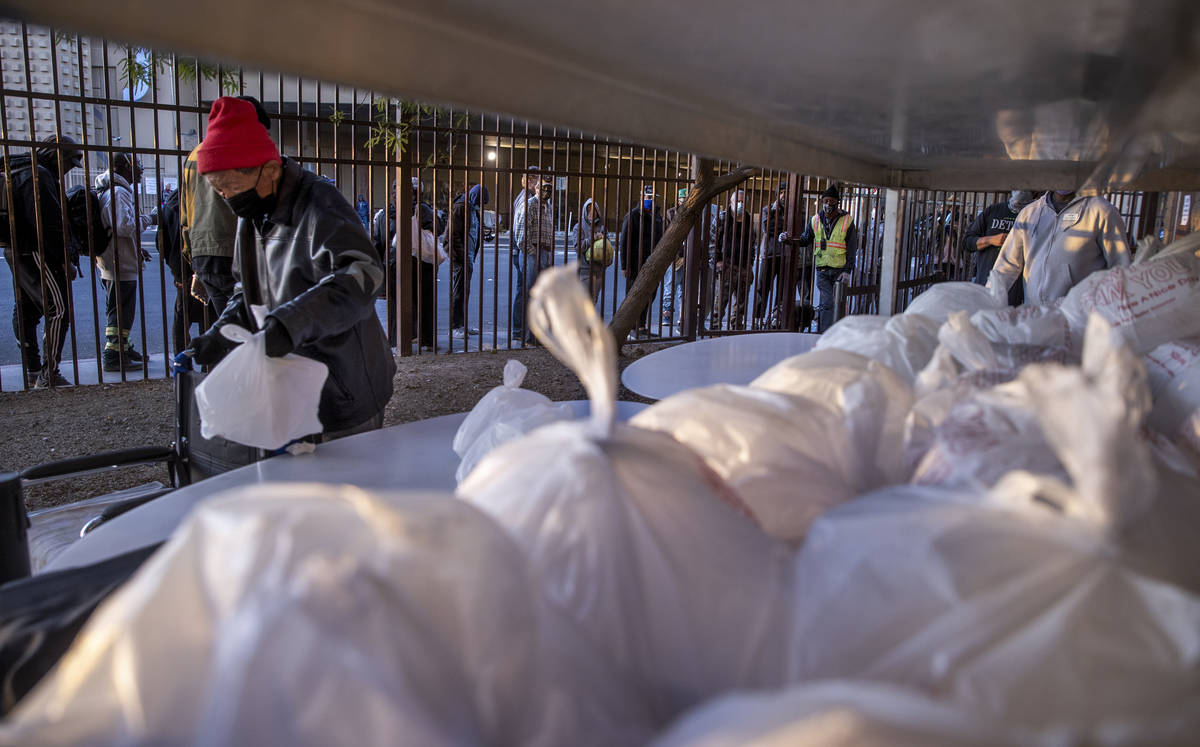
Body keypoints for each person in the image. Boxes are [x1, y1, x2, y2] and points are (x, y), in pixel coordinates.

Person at [186, 96, 395, 440]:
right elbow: (245, 289)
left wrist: (288, 325)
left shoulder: (320, 203)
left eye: (230, 188)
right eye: (218, 191)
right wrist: (221, 333)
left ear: (269, 170)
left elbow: (363, 275)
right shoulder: (252, 216)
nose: (226, 198)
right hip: (291, 387)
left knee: (352, 485)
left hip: (343, 383)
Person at [6, 135, 82, 388]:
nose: (70, 168)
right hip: (37, 252)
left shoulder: (20, 168)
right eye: (70, 162)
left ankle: (33, 368)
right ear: (58, 156)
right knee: (59, 311)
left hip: (16, 250)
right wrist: (64, 261)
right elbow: (49, 226)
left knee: (26, 309)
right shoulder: (40, 176)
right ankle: (48, 375)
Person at [183, 96, 270, 316]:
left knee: (229, 327)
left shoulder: (195, 154)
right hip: (232, 251)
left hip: (203, 252)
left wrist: (193, 262)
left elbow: (186, 212)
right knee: (249, 329)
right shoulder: (241, 150)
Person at [987, 188, 1131, 305]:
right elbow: (1006, 265)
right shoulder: (1030, 213)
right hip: (1036, 314)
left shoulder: (1101, 211)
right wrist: (986, 299)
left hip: (1078, 317)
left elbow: (1120, 267)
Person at [95, 152, 151, 373]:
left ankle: (123, 349)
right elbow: (124, 226)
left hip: (117, 259)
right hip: (119, 263)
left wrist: (138, 249)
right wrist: (150, 219)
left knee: (120, 309)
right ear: (123, 167)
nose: (139, 170)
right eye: (135, 166)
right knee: (120, 311)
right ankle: (113, 356)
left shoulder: (114, 191)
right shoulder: (118, 192)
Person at [785, 184, 858, 332]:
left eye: (831, 201)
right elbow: (805, 239)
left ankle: (837, 331)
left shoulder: (847, 220)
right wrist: (789, 239)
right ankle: (824, 333)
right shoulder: (815, 220)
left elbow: (852, 248)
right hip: (822, 269)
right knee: (827, 303)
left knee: (839, 303)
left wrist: (848, 270)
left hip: (840, 270)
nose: (828, 204)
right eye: (825, 201)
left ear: (837, 203)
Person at [961, 190, 1035, 306]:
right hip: (986, 285)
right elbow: (967, 242)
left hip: (1018, 293)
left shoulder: (1035, 215)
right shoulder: (993, 211)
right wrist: (990, 240)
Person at [512, 174, 554, 344]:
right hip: (532, 252)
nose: (546, 191)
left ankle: (537, 333)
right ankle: (528, 335)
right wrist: (530, 251)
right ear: (537, 188)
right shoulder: (529, 205)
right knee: (530, 293)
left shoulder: (548, 206)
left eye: (549, 189)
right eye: (543, 188)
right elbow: (520, 232)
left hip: (544, 251)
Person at [618, 185, 665, 337]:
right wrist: (624, 265)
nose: (649, 200)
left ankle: (642, 326)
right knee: (634, 296)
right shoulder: (633, 215)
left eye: (651, 197)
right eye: (646, 197)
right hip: (635, 263)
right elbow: (624, 241)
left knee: (650, 295)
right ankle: (630, 326)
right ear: (641, 197)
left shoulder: (657, 216)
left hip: (653, 263)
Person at [709, 188, 758, 331]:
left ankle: (736, 327)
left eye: (743, 202)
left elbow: (753, 243)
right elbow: (712, 241)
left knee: (741, 302)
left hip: (743, 266)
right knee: (721, 300)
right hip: (727, 265)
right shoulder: (722, 218)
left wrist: (750, 263)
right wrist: (717, 260)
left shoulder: (748, 219)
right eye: (737, 201)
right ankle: (715, 328)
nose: (740, 204)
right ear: (731, 202)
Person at [447, 183, 489, 339]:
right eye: (480, 203)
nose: (480, 206)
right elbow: (453, 235)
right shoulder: (461, 207)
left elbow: (473, 231)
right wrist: (462, 255)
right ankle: (455, 326)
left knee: (464, 291)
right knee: (458, 292)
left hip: (468, 255)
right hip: (461, 257)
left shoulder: (472, 209)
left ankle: (461, 324)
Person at [755, 182, 792, 327]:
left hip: (786, 256)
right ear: (777, 195)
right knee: (762, 289)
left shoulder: (793, 210)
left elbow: (797, 227)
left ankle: (776, 319)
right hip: (769, 254)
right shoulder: (768, 209)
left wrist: (780, 225)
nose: (784, 195)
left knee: (782, 291)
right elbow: (767, 227)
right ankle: (758, 319)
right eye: (781, 192)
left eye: (786, 192)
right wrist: (784, 225)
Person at [567, 197, 607, 304]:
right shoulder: (578, 227)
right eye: (588, 209)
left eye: (594, 210)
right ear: (584, 210)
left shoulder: (602, 228)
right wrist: (592, 239)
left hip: (598, 271)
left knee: (594, 300)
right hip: (584, 271)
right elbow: (578, 247)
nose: (591, 212)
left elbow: (607, 250)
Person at [661, 187, 688, 327]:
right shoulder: (671, 213)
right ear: (678, 199)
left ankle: (682, 317)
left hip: (689, 256)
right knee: (670, 286)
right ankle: (667, 314)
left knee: (684, 290)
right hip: (675, 256)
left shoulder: (694, 212)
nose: (685, 201)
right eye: (683, 198)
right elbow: (667, 234)